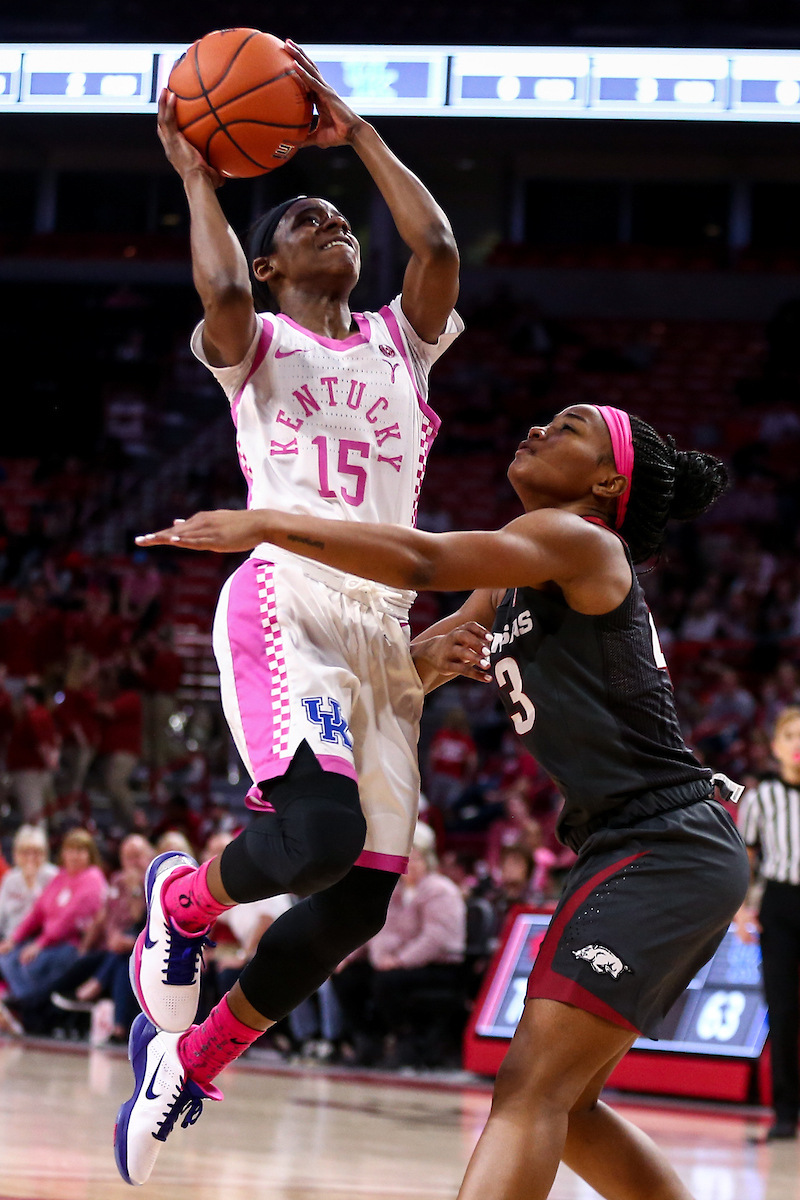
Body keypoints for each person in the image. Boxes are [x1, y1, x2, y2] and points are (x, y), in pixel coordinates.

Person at [152, 403, 750, 1200]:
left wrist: (269, 523)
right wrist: (424, 660)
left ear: (607, 482)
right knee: (564, 1107)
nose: (536, 428)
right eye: (541, 420)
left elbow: (419, 559)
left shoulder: (577, 540)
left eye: (568, 429)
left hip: (666, 844)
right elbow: (415, 674)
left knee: (530, 1093)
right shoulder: (511, 578)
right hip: (636, 846)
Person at [114, 40, 460, 1187]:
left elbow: (439, 244)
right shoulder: (258, 340)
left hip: (384, 638)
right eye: (305, 219)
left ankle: (195, 1061)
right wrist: (198, 176)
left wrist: (353, 131)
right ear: (269, 268)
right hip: (288, 597)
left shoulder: (402, 344)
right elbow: (214, 289)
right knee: (310, 841)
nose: (332, 222)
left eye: (338, 217)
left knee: (357, 903)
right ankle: (183, 896)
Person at [736, 705, 800, 1140]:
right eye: (791, 736)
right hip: (780, 905)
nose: (799, 744)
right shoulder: (761, 798)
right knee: (782, 1009)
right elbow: (746, 858)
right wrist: (742, 908)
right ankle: (784, 1113)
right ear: (776, 746)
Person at [50, 833, 153, 1042]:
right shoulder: (116, 880)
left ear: (150, 855)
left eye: (137, 856)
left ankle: (94, 996)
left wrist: (134, 889)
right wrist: (88, 945)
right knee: (81, 963)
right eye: (127, 857)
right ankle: (46, 1011)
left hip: (144, 950)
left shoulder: (155, 884)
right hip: (115, 949)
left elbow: (138, 919)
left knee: (122, 959)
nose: (132, 863)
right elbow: (105, 917)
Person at [0, 828, 106, 1022]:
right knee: (6, 958)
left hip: (74, 944)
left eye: (80, 850)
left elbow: (69, 920)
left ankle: (25, 1009)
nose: (74, 856)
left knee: (30, 966)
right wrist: (14, 940)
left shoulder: (92, 878)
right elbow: (37, 912)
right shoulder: (61, 877)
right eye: (70, 850)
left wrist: (39, 944)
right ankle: (25, 1005)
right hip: (49, 941)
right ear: (63, 853)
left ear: (90, 854)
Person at [0, 824, 58, 1034]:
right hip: (11, 939)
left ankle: (21, 1006)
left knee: (17, 961)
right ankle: (22, 1006)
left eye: (36, 852)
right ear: (16, 853)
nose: (30, 857)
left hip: (40, 939)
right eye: (25, 851)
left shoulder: (53, 876)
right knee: (6, 958)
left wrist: (33, 884)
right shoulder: (10, 879)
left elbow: (49, 916)